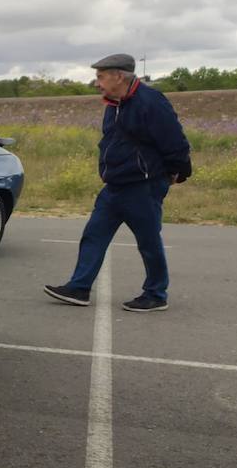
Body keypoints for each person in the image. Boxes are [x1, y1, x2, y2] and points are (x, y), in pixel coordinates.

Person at [45, 53, 191, 313]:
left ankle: (156, 294)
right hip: (115, 185)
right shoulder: (113, 104)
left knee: (148, 241)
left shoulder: (150, 102)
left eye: (101, 76)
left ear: (118, 76)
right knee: (94, 234)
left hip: (142, 186)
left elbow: (173, 140)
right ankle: (79, 288)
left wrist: (178, 169)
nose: (97, 82)